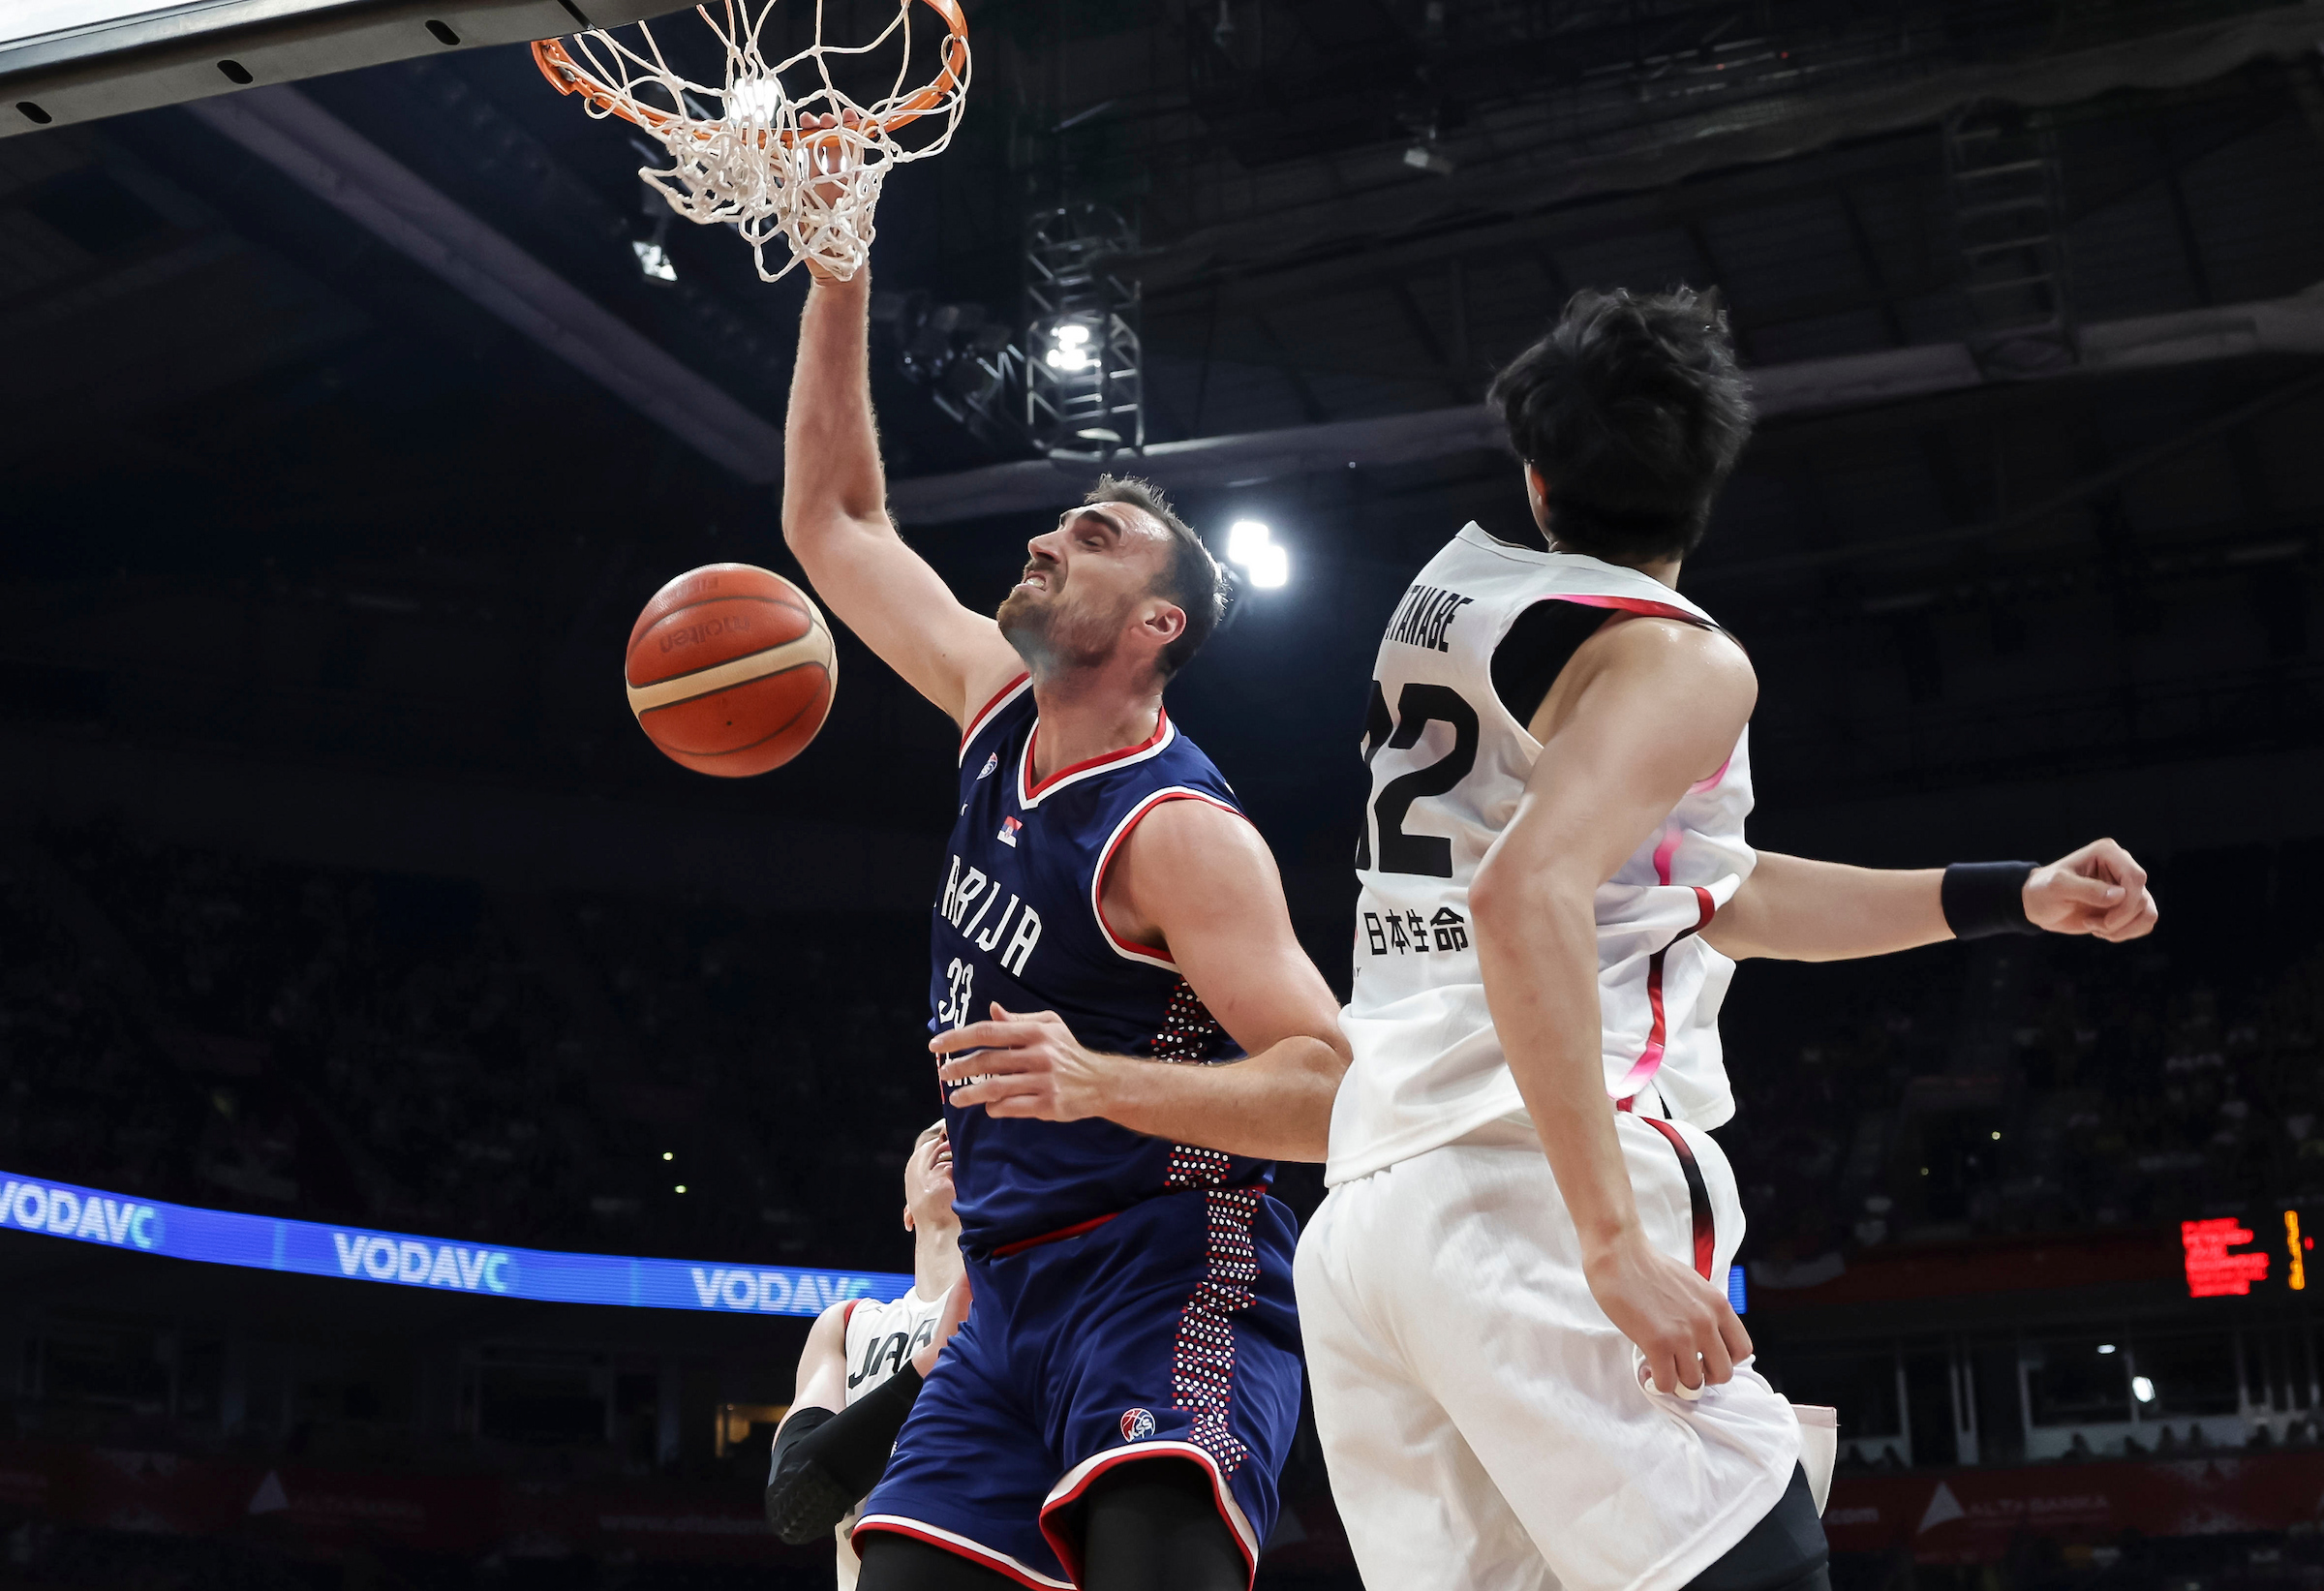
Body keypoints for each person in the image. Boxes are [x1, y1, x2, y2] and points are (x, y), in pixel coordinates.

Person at [1293, 286, 2159, 1591]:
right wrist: (1608, 1243)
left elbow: (1711, 894)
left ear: (1538, 482)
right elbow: (1525, 897)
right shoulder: (1681, 661)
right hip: (1526, 1179)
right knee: (1762, 1564)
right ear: (1712, 477)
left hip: (1372, 1209)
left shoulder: (1454, 608)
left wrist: (2006, 891)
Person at [779, 256, 1350, 1591]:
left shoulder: (1177, 834)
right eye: (1060, 523)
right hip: (1005, 1295)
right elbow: (833, 520)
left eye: (1092, 537)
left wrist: (1103, 1083)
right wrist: (843, 269)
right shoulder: (993, 705)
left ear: (1159, 623)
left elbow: (1336, 1092)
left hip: (1167, 1271)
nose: (1046, 538)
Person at [767, 1121, 971, 1590]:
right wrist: (930, 1365)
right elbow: (795, 1505)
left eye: (965, 1132)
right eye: (929, 1137)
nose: (946, 1138)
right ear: (907, 1210)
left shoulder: (1029, 1303)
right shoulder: (845, 1325)